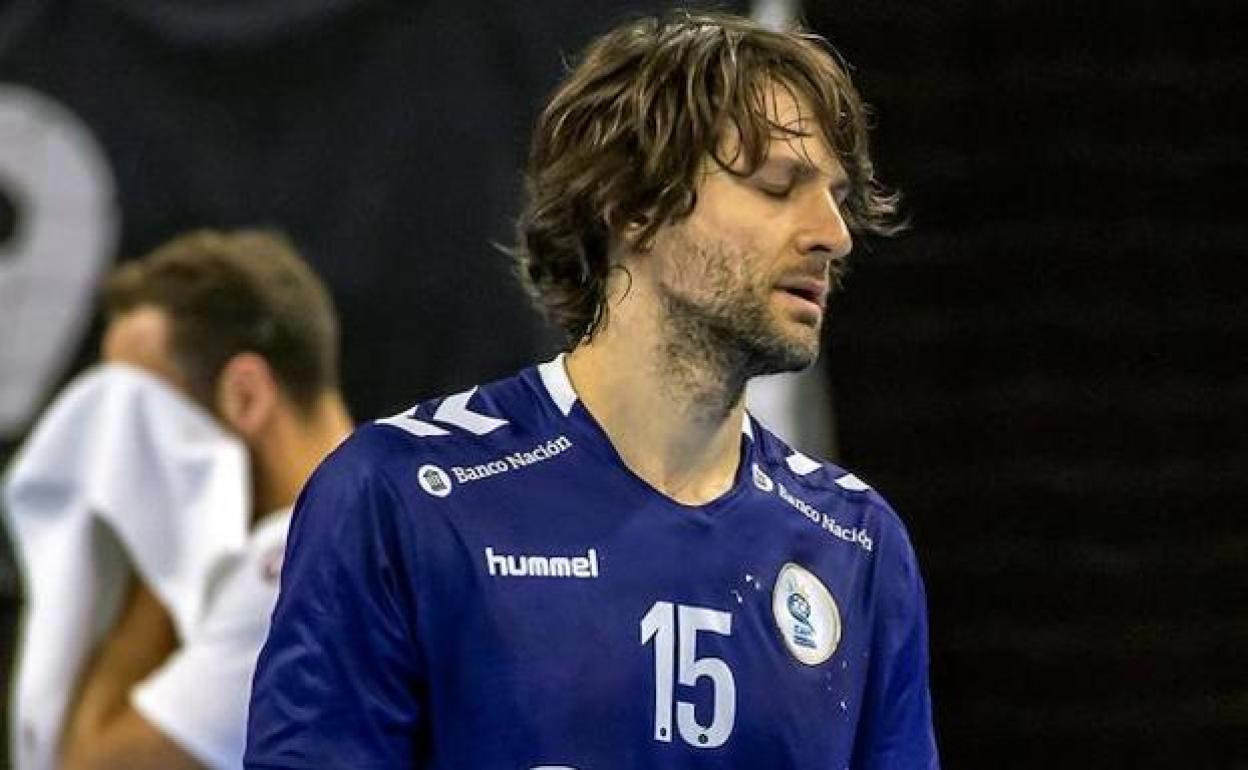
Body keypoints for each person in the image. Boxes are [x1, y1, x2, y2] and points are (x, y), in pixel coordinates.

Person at [246, 11, 937, 769]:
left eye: (836, 197)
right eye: (778, 186)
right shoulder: (404, 497)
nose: (832, 234)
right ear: (632, 206)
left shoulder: (856, 544)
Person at [57, 230, 352, 770]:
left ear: (246, 396)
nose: (120, 462)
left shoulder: (302, 556)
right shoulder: (394, 510)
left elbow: (90, 766)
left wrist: (160, 548)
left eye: (140, 420)